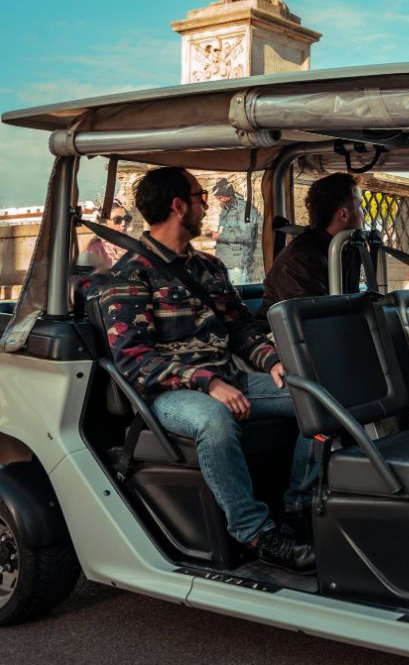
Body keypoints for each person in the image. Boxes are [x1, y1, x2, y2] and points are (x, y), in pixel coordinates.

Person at [98, 167, 315, 573]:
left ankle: (300, 507)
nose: (206, 205)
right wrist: (208, 382)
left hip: (227, 379)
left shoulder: (210, 268)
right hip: (168, 395)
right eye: (200, 197)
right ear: (179, 206)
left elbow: (240, 328)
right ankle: (255, 533)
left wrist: (273, 361)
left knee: (317, 398)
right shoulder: (131, 274)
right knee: (215, 421)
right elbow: (133, 359)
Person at [257, 172, 363, 322]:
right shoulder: (301, 259)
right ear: (343, 214)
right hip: (282, 339)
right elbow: (316, 321)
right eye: (360, 206)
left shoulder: (343, 249)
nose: (362, 213)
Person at [211, 178, 259, 285]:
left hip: (236, 262)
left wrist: (220, 236)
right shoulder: (227, 208)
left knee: (237, 291)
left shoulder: (242, 209)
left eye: (219, 197)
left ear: (227, 195)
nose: (219, 200)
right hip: (225, 259)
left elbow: (245, 235)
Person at [85, 201, 132, 268]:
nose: (123, 224)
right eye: (117, 220)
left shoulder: (131, 244)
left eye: (127, 219)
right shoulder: (97, 249)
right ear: (105, 223)